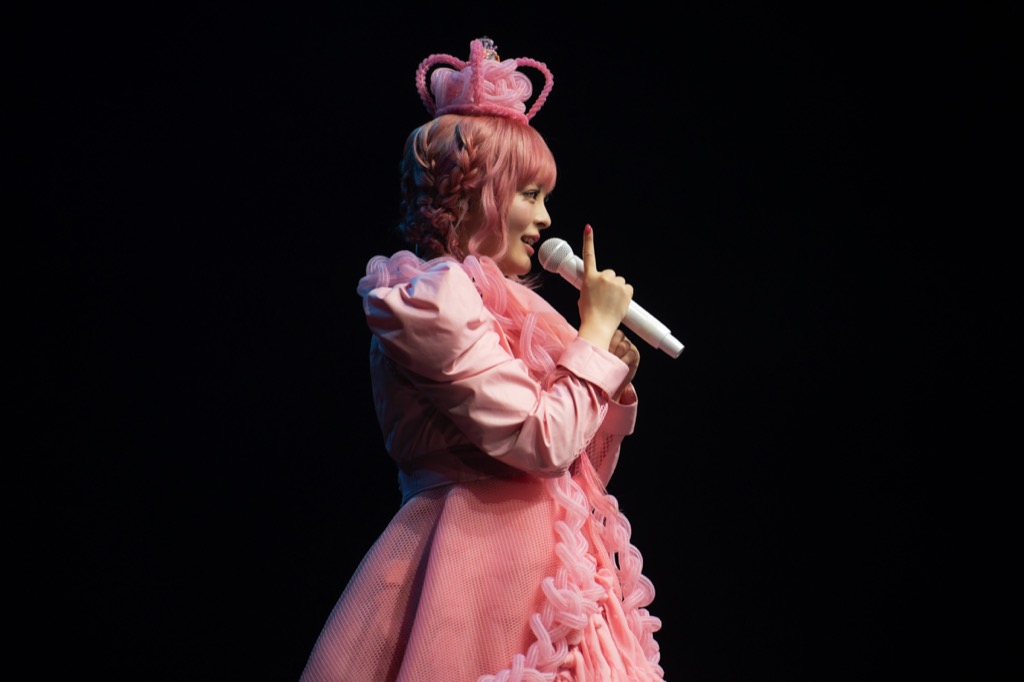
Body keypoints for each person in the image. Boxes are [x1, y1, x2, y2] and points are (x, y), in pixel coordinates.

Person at [300, 37, 666, 681]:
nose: (544, 217)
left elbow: (578, 470)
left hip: (551, 566)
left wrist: (609, 372)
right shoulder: (427, 298)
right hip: (473, 567)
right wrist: (592, 337)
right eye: (528, 194)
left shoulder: (527, 311)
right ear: (478, 193)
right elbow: (538, 441)